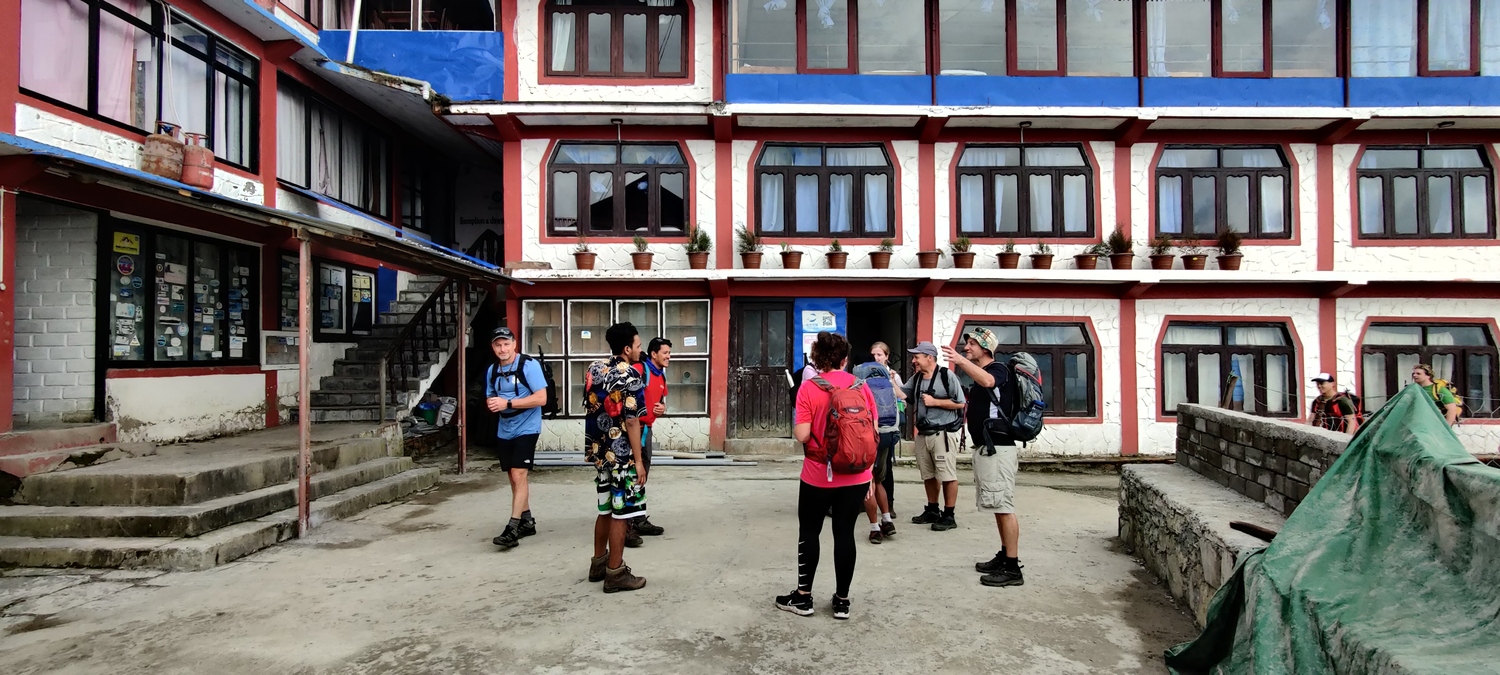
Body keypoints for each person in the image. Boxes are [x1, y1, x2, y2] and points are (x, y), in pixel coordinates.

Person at [775, 331, 876, 621]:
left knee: (809, 531)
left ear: (817, 358)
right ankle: (842, 601)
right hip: (856, 474)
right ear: (845, 359)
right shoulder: (861, 386)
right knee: (845, 534)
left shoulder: (808, 387)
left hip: (818, 474)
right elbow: (871, 432)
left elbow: (802, 434)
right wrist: (868, 473)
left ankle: (803, 597)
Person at [942, 327, 1023, 588]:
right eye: (966, 345)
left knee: (1004, 505)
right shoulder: (985, 371)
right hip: (989, 449)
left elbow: (988, 382)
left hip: (998, 449)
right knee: (998, 505)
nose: (967, 348)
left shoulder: (999, 369)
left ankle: (1012, 568)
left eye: (972, 344)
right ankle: (1004, 555)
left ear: (986, 348)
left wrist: (960, 361)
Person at [583, 322, 650, 593]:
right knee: (622, 513)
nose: (640, 349)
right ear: (626, 349)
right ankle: (616, 572)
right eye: (638, 345)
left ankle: (598, 563)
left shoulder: (594, 369)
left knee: (605, 509)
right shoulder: (631, 375)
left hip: (600, 453)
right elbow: (633, 422)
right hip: (622, 456)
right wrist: (639, 460)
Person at [485, 326, 548, 550]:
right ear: (493, 347)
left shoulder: (529, 365)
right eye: (498, 345)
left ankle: (512, 528)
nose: (503, 349)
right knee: (513, 477)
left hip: (527, 426)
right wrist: (493, 403)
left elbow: (541, 398)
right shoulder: (492, 370)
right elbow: (491, 395)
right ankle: (527, 520)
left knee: (518, 473)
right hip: (505, 428)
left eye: (506, 344)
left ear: (514, 345)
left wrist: (508, 403)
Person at [903, 342, 966, 532]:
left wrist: (934, 402)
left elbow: (960, 403)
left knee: (947, 475)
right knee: (928, 474)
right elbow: (903, 394)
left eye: (917, 357)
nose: (914, 360)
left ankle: (949, 515)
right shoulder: (916, 378)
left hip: (943, 433)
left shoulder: (947, 376)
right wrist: (888, 380)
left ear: (929, 357)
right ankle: (932, 509)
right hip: (923, 433)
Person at [852, 360, 898, 544]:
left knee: (867, 482)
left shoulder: (859, 387)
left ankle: (874, 528)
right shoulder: (888, 385)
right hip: (888, 437)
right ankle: (887, 520)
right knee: (879, 480)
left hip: (870, 439)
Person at [630, 337, 672, 537]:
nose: (668, 357)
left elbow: (660, 401)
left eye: (669, 353)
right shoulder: (640, 370)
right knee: (630, 473)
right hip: (632, 430)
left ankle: (638, 519)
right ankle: (627, 523)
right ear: (654, 354)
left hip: (647, 430)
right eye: (665, 353)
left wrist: (662, 408)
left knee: (642, 473)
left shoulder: (661, 376)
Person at [869, 341, 906, 518]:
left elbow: (902, 396)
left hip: (888, 426)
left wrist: (891, 380)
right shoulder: (865, 374)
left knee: (886, 467)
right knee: (868, 466)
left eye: (879, 355)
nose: (876, 358)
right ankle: (867, 501)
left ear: (886, 356)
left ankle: (889, 503)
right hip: (870, 426)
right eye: (874, 355)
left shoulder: (893, 375)